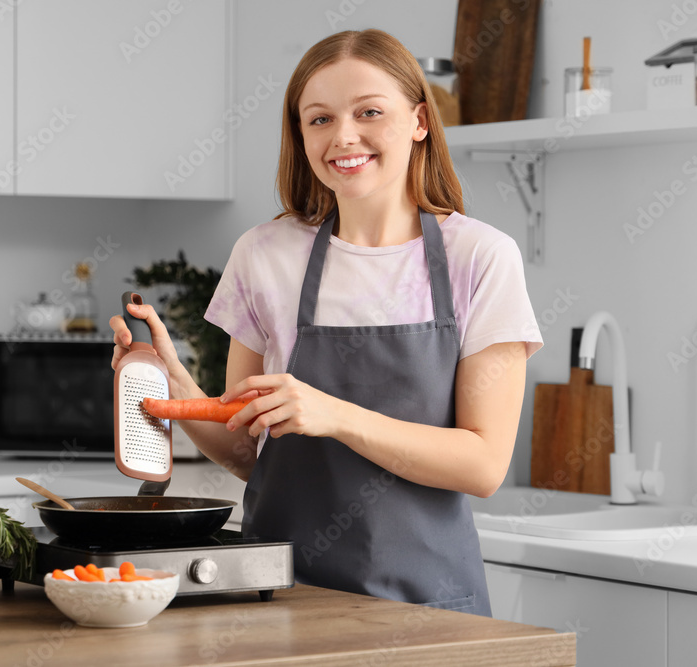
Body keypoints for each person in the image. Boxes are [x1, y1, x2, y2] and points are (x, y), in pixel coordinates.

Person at [111, 28, 542, 617]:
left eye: (369, 112)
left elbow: (484, 464)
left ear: (420, 120)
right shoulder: (264, 255)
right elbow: (247, 451)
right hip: (281, 596)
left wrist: (334, 415)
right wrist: (176, 389)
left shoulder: (481, 259)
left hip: (427, 609)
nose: (343, 136)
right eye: (319, 119)